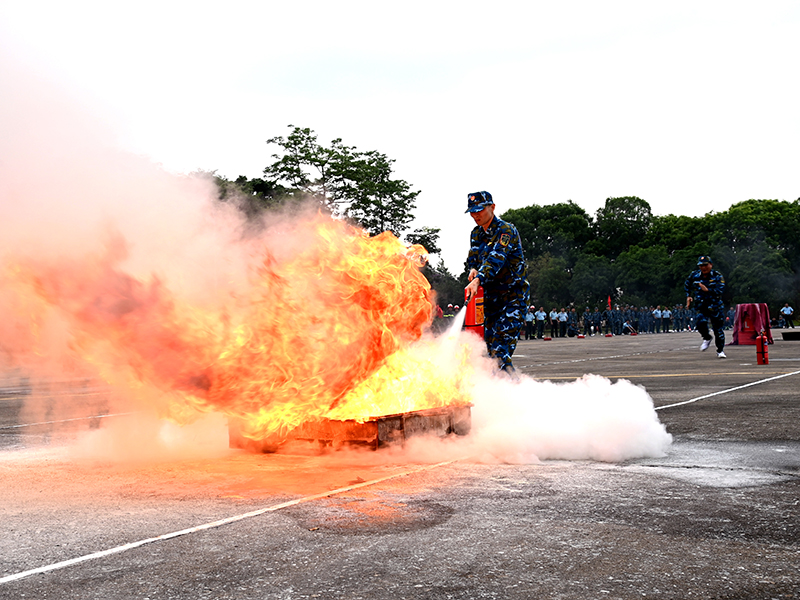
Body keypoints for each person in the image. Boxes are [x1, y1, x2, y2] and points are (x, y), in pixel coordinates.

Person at [464, 191, 530, 374]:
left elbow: (496, 259)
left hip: (512, 298)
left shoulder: (506, 230)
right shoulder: (476, 234)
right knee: (490, 355)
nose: (475, 215)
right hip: (491, 302)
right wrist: (473, 269)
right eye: (472, 211)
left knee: (500, 351)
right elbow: (474, 257)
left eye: (479, 210)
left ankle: (513, 392)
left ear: (492, 207)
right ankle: (501, 395)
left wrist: (478, 279)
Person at [685, 255, 727, 358]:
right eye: (701, 266)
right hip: (701, 305)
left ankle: (720, 351)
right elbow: (687, 284)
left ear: (710, 265)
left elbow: (720, 290)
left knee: (718, 330)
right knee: (700, 322)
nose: (703, 268)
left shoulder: (717, 276)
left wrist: (707, 290)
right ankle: (707, 337)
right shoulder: (694, 275)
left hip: (715, 306)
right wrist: (688, 296)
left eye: (705, 265)